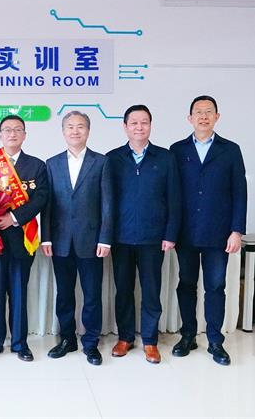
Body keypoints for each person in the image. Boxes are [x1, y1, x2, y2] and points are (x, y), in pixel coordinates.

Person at [170, 95, 247, 366]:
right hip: (186, 232)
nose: (203, 116)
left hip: (218, 233)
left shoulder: (230, 150)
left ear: (217, 117)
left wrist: (237, 230)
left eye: (208, 111)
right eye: (198, 112)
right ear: (189, 118)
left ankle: (215, 341)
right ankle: (188, 335)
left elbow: (239, 193)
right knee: (186, 284)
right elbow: (171, 193)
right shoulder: (177, 150)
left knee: (215, 286)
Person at [106, 105, 181, 364]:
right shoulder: (113, 159)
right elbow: (107, 201)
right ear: (125, 126)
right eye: (134, 122)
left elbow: (174, 198)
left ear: (150, 125)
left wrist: (170, 233)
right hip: (121, 237)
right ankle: (125, 337)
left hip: (153, 237)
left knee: (151, 290)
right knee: (123, 290)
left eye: (144, 122)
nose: (139, 127)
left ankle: (150, 340)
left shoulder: (166, 158)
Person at [40, 111, 113, 366]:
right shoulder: (52, 163)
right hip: (60, 241)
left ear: (88, 131)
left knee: (92, 295)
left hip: (91, 241)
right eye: (70, 127)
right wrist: (46, 238)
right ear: (63, 132)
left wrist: (105, 238)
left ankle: (91, 343)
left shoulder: (101, 162)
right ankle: (67, 339)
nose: (75, 131)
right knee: (64, 294)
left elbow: (107, 203)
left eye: (80, 126)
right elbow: (47, 204)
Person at [0, 115, 49, 362]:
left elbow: (41, 198)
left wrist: (14, 218)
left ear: (25, 135)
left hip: (22, 238)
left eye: (18, 130)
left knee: (18, 292)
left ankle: (19, 343)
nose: (12, 133)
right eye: (7, 130)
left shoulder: (37, 166)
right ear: (0, 135)